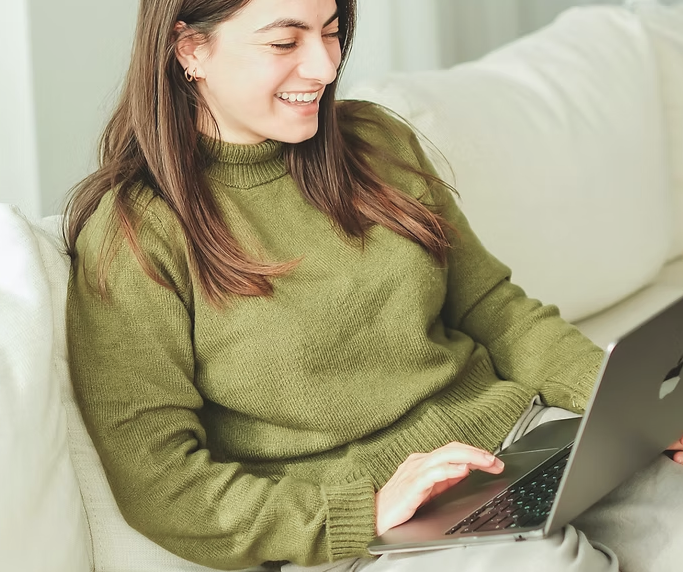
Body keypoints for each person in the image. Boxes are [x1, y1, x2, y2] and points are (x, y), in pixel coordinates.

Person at [63, 1, 683, 570]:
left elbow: (494, 308)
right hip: (375, 525)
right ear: (189, 49)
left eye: (331, 31)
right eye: (285, 42)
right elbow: (158, 478)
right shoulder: (135, 233)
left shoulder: (375, 141)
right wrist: (365, 509)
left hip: (521, 441)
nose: (325, 64)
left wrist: (633, 412)